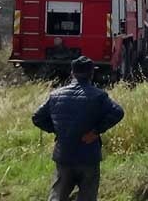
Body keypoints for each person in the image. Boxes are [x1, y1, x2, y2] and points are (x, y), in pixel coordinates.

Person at [32, 56, 124, 201]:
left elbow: (37, 117)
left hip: (64, 154)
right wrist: (96, 132)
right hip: (88, 156)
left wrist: (57, 130)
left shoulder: (55, 95)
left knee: (58, 196)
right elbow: (118, 112)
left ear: (72, 73)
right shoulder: (99, 96)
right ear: (91, 74)